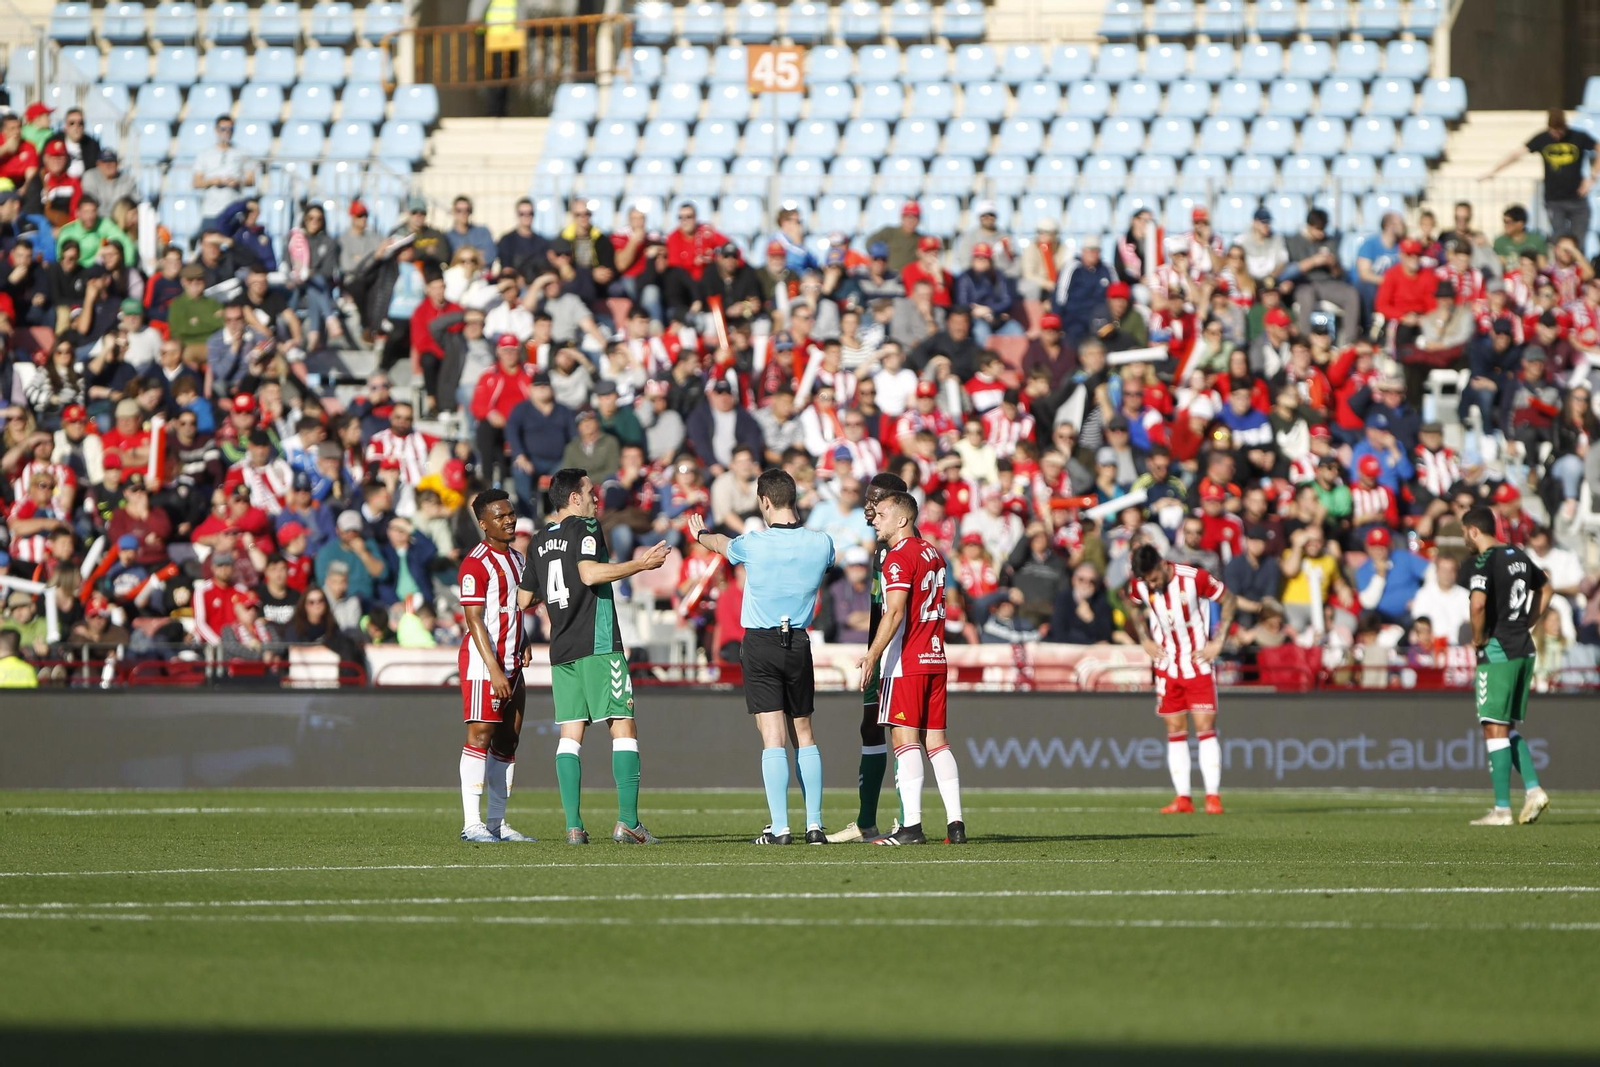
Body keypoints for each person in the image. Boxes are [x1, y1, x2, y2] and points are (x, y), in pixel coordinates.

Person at [519, 469, 671, 845]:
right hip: (598, 642)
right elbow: (588, 575)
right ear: (574, 498)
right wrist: (641, 565)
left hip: (562, 649)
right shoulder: (585, 527)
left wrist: (558, 591)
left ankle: (573, 826)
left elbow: (524, 599)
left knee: (571, 734)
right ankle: (628, 822)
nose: (596, 498)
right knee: (623, 726)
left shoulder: (538, 540)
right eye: (590, 492)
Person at [687, 469, 836, 845]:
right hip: (798, 642)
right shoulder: (822, 543)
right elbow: (828, 559)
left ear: (764, 501)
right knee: (804, 733)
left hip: (760, 643)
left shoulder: (753, 543)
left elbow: (722, 544)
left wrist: (700, 534)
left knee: (772, 737)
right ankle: (815, 825)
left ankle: (781, 827)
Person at [850, 490, 964, 846]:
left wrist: (871, 655)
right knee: (937, 742)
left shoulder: (898, 557)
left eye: (882, 514)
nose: (875, 520)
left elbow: (895, 611)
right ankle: (955, 823)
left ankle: (911, 827)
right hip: (936, 657)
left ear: (903, 519)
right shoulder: (934, 552)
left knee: (904, 739)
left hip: (907, 661)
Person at [827, 473, 912, 843]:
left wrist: (879, 652)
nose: (868, 506)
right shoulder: (880, 548)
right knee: (870, 725)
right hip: (878, 651)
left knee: (904, 733)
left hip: (900, 653)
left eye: (875, 500)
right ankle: (866, 821)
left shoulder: (907, 549)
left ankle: (910, 821)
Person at [1124, 542, 1236, 815]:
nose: (1151, 586)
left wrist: (1218, 641)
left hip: (1198, 662)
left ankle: (1212, 797)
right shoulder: (1141, 586)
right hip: (1166, 665)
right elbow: (1130, 603)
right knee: (1174, 729)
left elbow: (1228, 599)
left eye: (1153, 580)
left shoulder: (1194, 578)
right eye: (1146, 582)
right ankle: (1183, 798)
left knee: (1205, 726)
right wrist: (1144, 639)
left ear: (1162, 564)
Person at [452, 488, 537, 844]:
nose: (509, 520)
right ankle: (472, 823)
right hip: (485, 664)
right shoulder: (475, 563)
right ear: (484, 523)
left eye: (511, 513)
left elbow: (514, 609)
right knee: (480, 735)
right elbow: (474, 619)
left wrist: (525, 642)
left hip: (513, 660)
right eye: (500, 516)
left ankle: (497, 823)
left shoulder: (518, 560)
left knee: (508, 739)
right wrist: (494, 669)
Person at [1463, 506, 1552, 827]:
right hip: (1524, 649)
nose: (1465, 539)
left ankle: (1501, 809)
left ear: (1474, 530)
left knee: (1493, 727)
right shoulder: (1519, 555)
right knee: (1506, 727)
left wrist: (1477, 639)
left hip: (1498, 649)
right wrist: (1528, 622)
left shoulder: (1484, 561)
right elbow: (1546, 588)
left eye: (1465, 532)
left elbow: (1478, 604)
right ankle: (1533, 790)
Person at [1487, 109, 1595, 242]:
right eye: (1553, 131)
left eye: (1559, 131)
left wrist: (1592, 177)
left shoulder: (1578, 137)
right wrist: (1493, 171)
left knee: (1579, 239)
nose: (1556, 135)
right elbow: (1517, 154)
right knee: (1559, 239)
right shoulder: (1543, 138)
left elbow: (1598, 147)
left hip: (1577, 199)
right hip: (1554, 200)